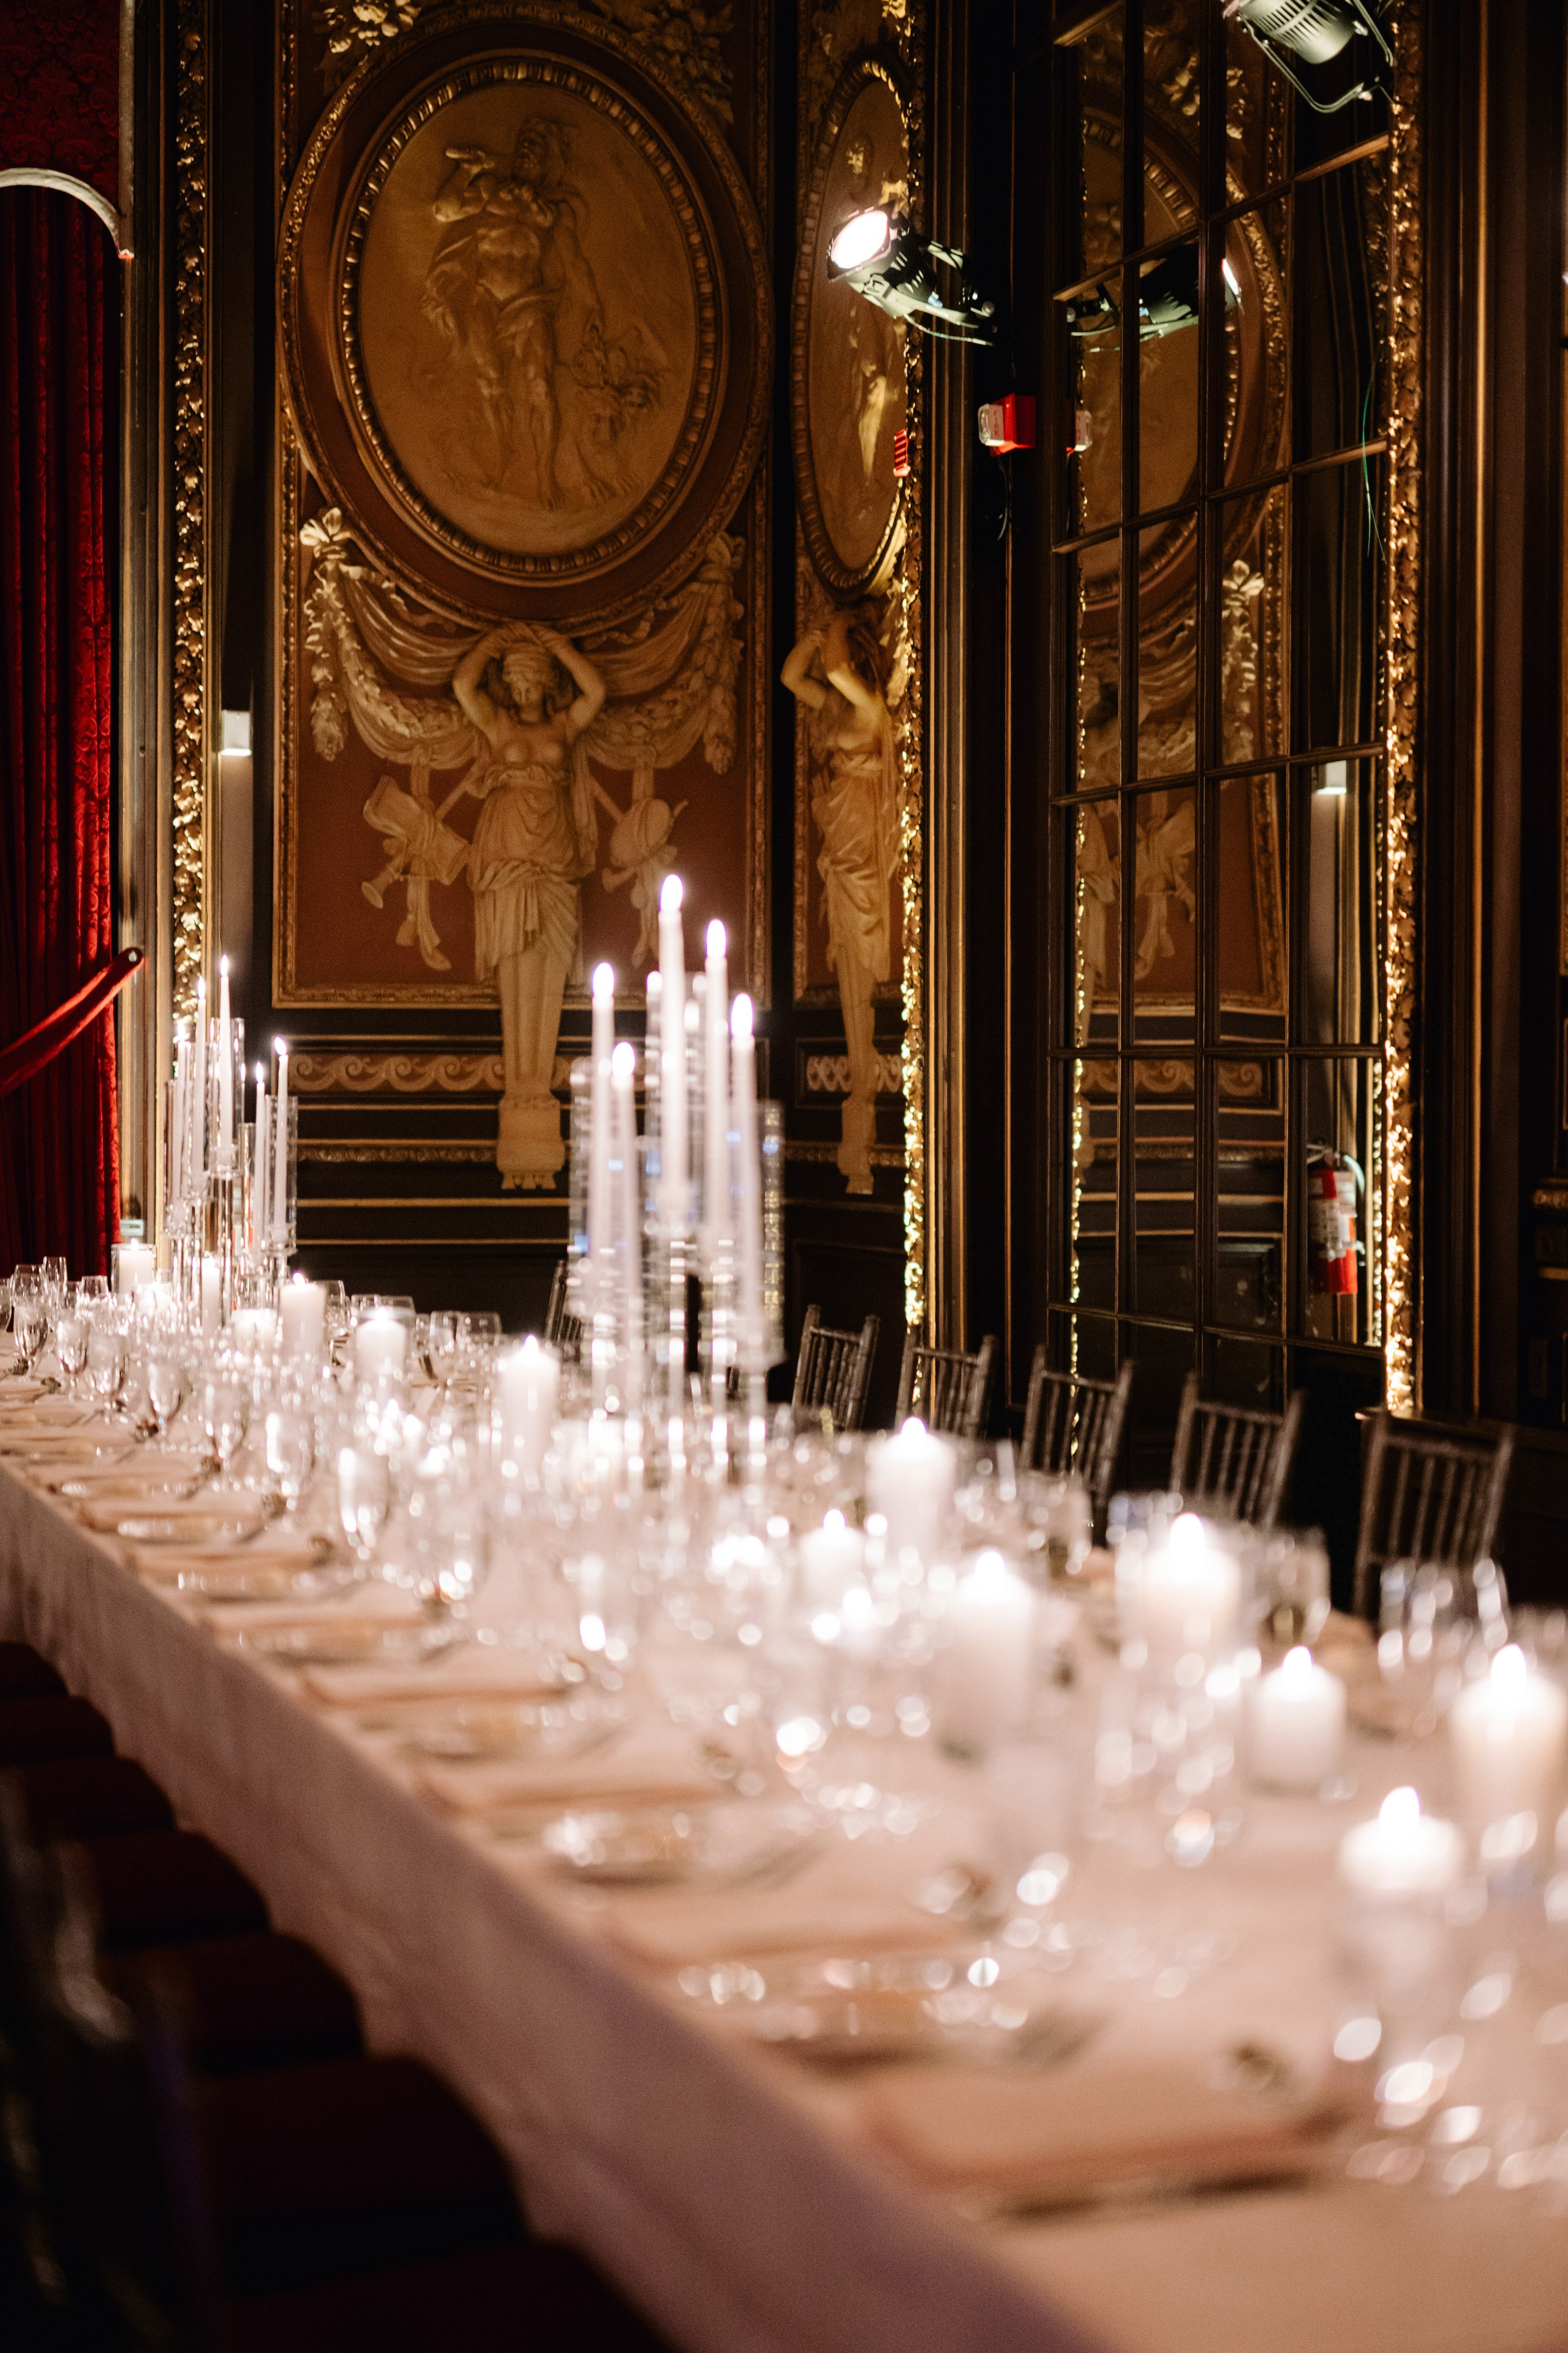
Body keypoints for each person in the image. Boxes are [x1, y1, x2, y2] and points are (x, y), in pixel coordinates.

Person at [451, 624, 606, 1185]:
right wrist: (498, 642)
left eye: (529, 681)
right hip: (509, 854)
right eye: (513, 682)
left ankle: (536, 1095)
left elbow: (597, 694)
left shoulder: (565, 724)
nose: (520, 692)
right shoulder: (498, 723)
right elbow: (465, 684)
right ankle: (520, 1095)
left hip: (556, 857)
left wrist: (559, 645)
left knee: (553, 968)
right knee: (514, 968)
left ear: (545, 683)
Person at [782, 605, 899, 1193]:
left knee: (862, 964)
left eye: (844, 661)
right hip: (841, 853)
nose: (834, 673)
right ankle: (859, 1088)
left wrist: (833, 626)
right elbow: (790, 678)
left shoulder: (870, 710)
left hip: (861, 861)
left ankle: (864, 1089)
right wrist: (814, 637)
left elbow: (827, 667)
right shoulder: (834, 710)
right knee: (848, 964)